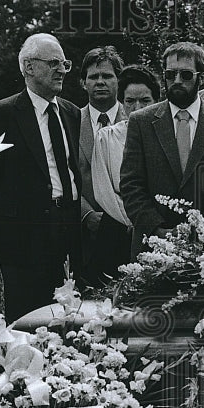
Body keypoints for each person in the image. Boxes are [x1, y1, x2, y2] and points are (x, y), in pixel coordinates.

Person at [0, 33, 83, 321]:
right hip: (23, 238)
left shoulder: (71, 113)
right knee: (28, 318)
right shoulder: (2, 114)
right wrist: (0, 231)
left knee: (68, 315)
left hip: (68, 228)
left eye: (65, 63)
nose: (61, 70)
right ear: (29, 67)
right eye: (53, 63)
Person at [121, 42, 204, 258]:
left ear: (202, 78)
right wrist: (158, 230)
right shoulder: (141, 122)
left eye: (185, 75)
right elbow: (131, 185)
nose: (177, 81)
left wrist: (199, 231)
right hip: (152, 246)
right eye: (170, 74)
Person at [90, 65, 161, 277]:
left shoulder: (167, 138)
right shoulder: (107, 137)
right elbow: (103, 189)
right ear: (122, 103)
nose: (137, 107)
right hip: (119, 229)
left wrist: (151, 223)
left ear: (156, 101)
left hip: (159, 228)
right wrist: (133, 220)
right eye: (130, 101)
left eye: (145, 100)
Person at [76, 46, 126, 285]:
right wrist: (86, 214)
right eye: (93, 77)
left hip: (128, 231)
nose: (100, 82)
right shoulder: (69, 120)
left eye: (107, 76)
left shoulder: (138, 122)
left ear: (118, 80)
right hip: (83, 233)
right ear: (83, 82)